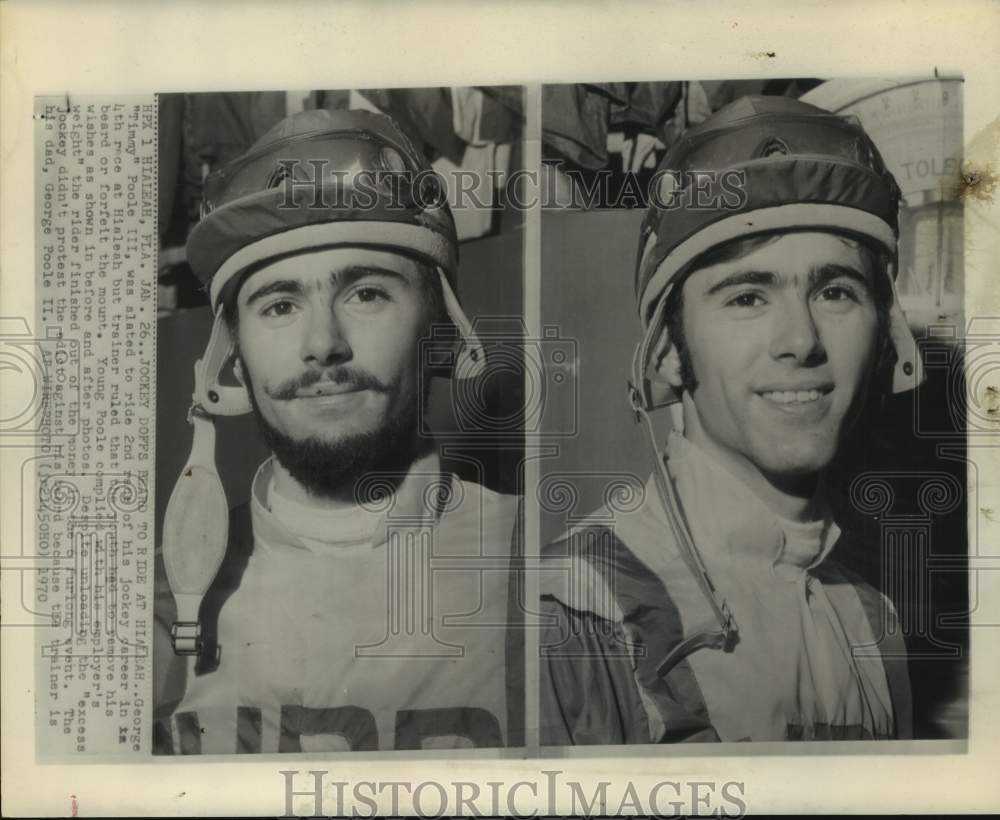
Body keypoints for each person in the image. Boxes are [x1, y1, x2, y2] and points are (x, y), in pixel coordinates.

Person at [539, 95, 920, 744]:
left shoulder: (872, 618)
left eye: (835, 292)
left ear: (885, 336)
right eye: (747, 295)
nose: (800, 340)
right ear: (666, 350)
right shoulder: (574, 611)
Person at [153, 109, 522, 754]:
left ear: (440, 329)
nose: (323, 345)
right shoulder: (153, 613)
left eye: (367, 294)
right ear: (232, 357)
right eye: (280, 306)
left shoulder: (550, 571)